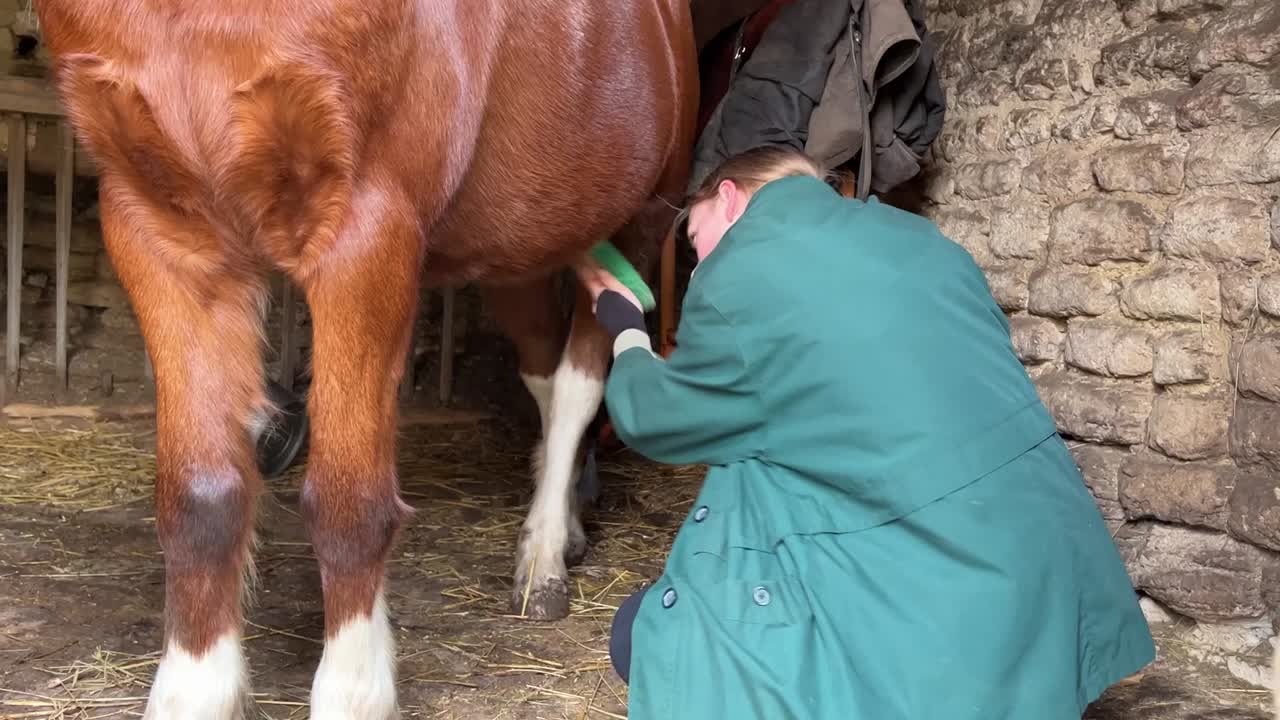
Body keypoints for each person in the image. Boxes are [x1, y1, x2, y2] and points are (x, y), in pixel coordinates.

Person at [572, 145, 1155, 720]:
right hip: (1051, 581)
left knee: (642, 634)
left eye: (695, 241)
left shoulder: (742, 267)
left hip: (942, 613)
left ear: (729, 199)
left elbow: (655, 419)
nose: (699, 266)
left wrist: (626, 328)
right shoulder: (919, 238)